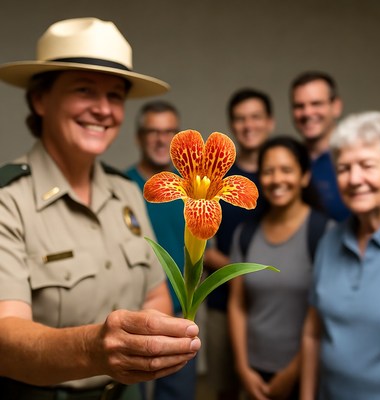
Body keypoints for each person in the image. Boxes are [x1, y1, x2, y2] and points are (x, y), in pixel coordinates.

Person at [0, 17, 201, 400]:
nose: (103, 110)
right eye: (84, 90)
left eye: (115, 96)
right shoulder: (8, 199)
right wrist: (95, 349)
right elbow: (6, 337)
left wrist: (154, 342)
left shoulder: (128, 192)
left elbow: (156, 294)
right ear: (40, 99)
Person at [301, 111, 380, 399]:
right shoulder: (330, 240)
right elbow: (312, 332)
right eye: (343, 168)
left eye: (367, 166)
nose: (354, 179)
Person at [228, 136, 330, 400]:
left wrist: (292, 373)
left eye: (287, 170)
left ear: (304, 176)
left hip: (306, 373)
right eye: (268, 171)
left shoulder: (324, 233)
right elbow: (237, 305)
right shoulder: (245, 234)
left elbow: (323, 316)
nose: (276, 179)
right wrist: (242, 367)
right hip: (253, 369)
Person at [203, 88, 275, 400]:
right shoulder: (216, 174)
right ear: (232, 126)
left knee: (271, 385)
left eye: (256, 117)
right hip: (223, 300)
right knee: (226, 386)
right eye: (240, 119)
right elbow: (200, 245)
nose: (248, 125)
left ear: (270, 122)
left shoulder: (280, 173)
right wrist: (242, 272)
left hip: (273, 303)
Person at [126, 101, 197, 400]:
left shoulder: (195, 187)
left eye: (169, 131)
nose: (160, 139)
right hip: (131, 312)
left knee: (178, 393)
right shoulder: (121, 186)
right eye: (152, 131)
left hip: (181, 313)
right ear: (139, 137)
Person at [290, 71, 350, 222]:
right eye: (299, 106)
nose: (307, 112)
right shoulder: (291, 161)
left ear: (336, 106)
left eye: (316, 104)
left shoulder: (355, 156)